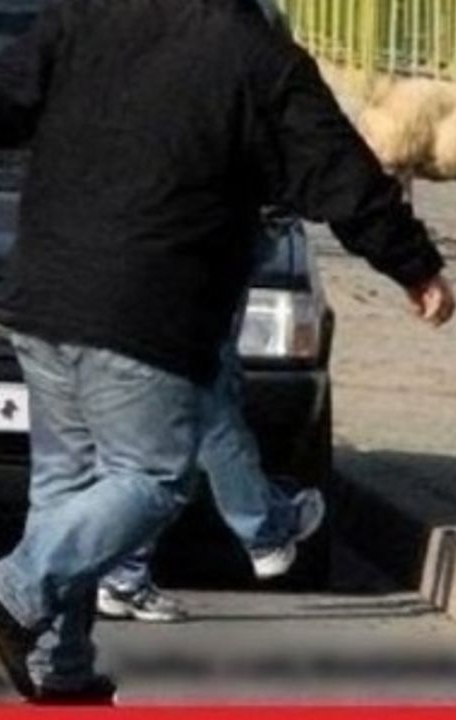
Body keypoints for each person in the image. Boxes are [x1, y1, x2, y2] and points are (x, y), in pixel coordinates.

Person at [0, 0, 456, 704]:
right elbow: (339, 172)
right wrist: (415, 266)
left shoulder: (89, 18)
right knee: (151, 477)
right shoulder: (255, 54)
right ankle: (14, 592)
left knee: (69, 491)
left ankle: (60, 665)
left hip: (44, 296)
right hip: (147, 307)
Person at [96, 0, 324, 625]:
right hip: (203, 249)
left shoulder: (155, 58)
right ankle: (258, 526)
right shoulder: (248, 60)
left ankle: (243, 530)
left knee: (193, 396)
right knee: (197, 398)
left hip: (164, 244)